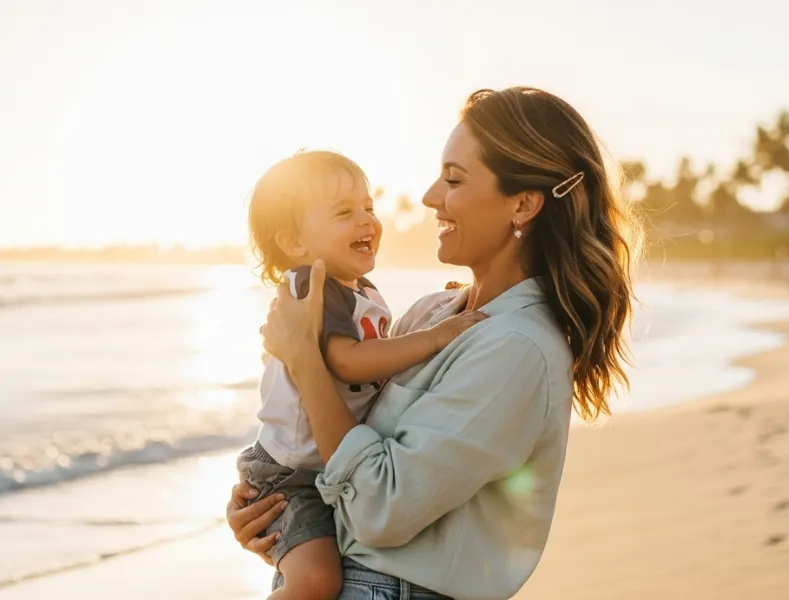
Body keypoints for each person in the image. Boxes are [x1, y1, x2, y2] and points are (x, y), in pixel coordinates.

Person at [228, 87, 641, 600]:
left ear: (523, 204)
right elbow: (345, 431)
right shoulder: (433, 313)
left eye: (454, 179)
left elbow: (380, 509)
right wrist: (278, 519)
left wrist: (304, 360)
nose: (429, 197)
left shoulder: (518, 349)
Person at [240, 150, 486, 600]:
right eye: (343, 213)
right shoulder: (311, 287)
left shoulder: (359, 289)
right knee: (316, 582)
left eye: (368, 208)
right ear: (293, 242)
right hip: (291, 476)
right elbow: (349, 362)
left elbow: (381, 352)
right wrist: (436, 336)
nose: (366, 221)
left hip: (326, 466)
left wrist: (446, 306)